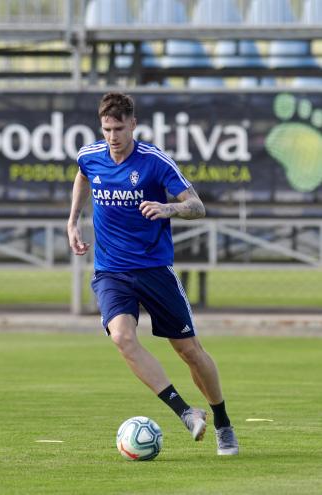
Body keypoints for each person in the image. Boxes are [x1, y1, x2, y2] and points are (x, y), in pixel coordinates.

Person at [67, 92, 239, 456]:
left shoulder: (154, 162)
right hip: (111, 271)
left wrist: (168, 207)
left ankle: (222, 421)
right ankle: (185, 412)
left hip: (154, 269)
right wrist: (73, 221)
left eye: (118, 128)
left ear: (133, 124)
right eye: (107, 129)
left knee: (189, 351)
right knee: (122, 338)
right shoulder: (90, 156)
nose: (113, 136)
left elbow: (198, 206)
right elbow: (82, 176)